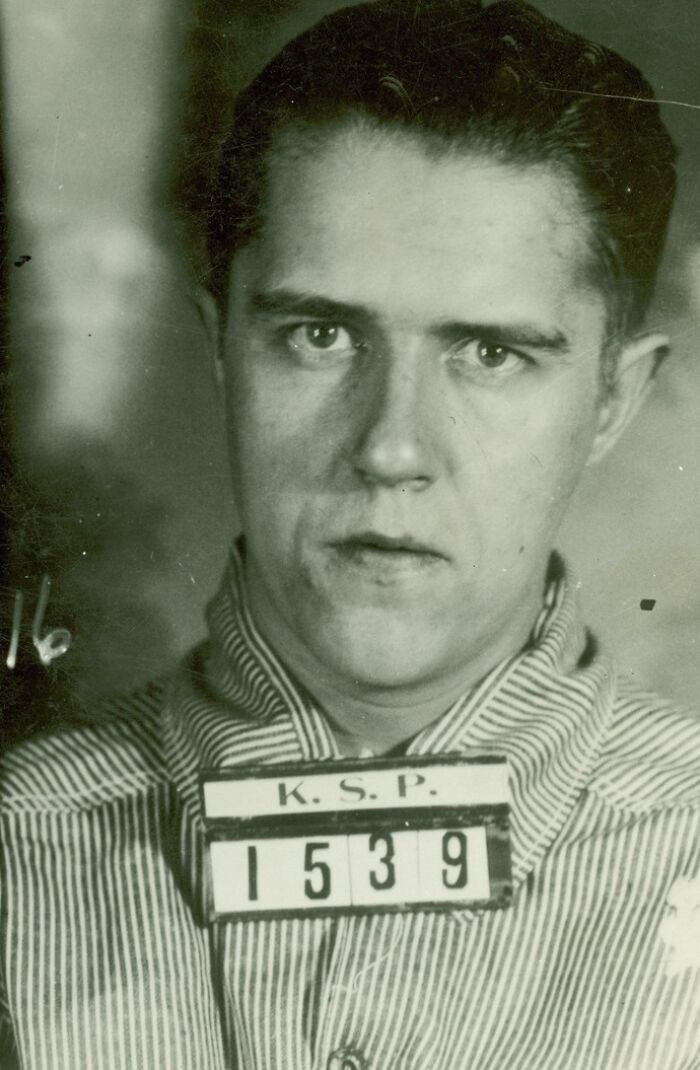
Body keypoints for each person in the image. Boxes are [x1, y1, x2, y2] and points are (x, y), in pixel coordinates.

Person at [2, 1, 699, 1066]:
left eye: (491, 354)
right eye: (319, 334)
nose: (390, 447)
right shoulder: (18, 858)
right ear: (224, 345)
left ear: (612, 397)